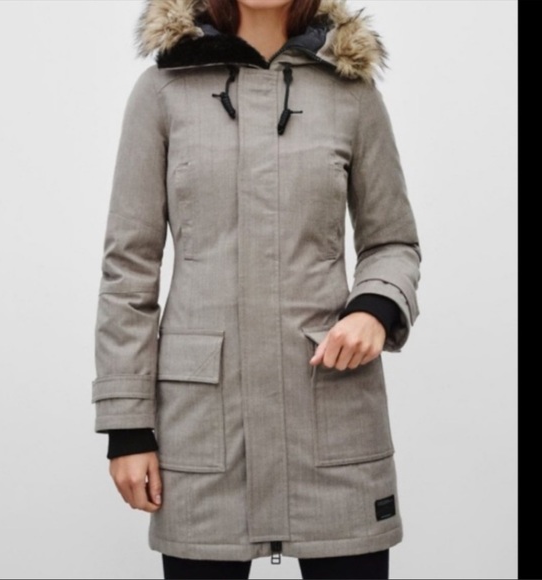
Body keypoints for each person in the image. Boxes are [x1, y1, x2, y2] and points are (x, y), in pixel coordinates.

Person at [91, 0, 422, 578]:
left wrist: (373, 308)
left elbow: (392, 241)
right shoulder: (163, 91)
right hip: (204, 429)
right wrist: (127, 427)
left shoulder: (352, 92)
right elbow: (129, 268)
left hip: (331, 417)